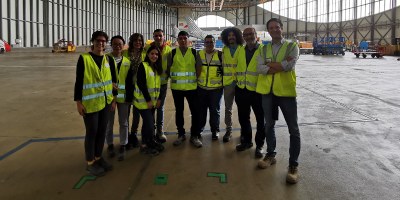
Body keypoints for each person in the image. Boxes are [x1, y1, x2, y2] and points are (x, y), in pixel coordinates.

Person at [256, 18, 301, 184]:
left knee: (293, 129)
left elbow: (289, 66)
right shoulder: (263, 47)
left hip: (286, 93)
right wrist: (279, 65)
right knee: (269, 125)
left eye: (277, 27)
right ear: (268, 30)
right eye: (271, 28)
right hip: (268, 93)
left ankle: (293, 165)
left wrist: (270, 65)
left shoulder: (292, 46)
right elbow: (259, 68)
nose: (274, 30)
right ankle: (271, 154)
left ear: (282, 28)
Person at [74, 31, 116, 176]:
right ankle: (90, 162)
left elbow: (113, 82)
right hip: (90, 103)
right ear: (93, 42)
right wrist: (78, 102)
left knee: (101, 132)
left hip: (105, 102)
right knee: (91, 132)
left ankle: (98, 157)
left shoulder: (108, 60)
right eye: (98, 41)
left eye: (104, 41)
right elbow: (79, 82)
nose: (101, 43)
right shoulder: (84, 59)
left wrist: (113, 99)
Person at [126, 45, 165, 156]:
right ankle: (146, 145)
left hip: (152, 102)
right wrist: (148, 100)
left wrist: (159, 99)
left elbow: (160, 85)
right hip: (143, 102)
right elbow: (141, 84)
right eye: (152, 53)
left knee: (147, 125)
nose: (154, 56)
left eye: (156, 54)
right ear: (147, 54)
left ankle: (147, 143)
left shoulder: (157, 67)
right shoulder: (143, 66)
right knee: (149, 124)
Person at [235, 27, 265, 158]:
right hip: (242, 89)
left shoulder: (263, 50)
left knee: (260, 120)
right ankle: (247, 142)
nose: (248, 37)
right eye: (245, 35)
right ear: (243, 37)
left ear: (256, 35)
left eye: (251, 34)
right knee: (243, 118)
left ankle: (259, 145)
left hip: (258, 91)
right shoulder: (240, 50)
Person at [168, 31, 201, 147]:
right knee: (179, 111)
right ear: (177, 40)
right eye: (180, 38)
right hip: (177, 88)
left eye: (184, 38)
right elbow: (168, 69)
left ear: (188, 40)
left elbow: (198, 69)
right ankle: (181, 134)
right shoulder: (172, 53)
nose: (182, 40)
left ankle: (194, 135)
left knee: (195, 112)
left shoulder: (194, 52)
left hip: (192, 88)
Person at [105, 35, 130, 161]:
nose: (117, 46)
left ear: (123, 45)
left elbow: (130, 81)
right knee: (109, 122)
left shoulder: (127, 62)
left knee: (123, 122)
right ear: (111, 45)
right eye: (115, 44)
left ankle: (123, 144)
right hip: (110, 96)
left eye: (120, 44)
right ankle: (109, 144)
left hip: (123, 96)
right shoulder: (106, 60)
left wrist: (128, 97)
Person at [144, 29, 172, 143]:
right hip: (150, 83)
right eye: (156, 36)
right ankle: (151, 131)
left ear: (164, 36)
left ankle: (159, 131)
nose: (158, 38)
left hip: (163, 83)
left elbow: (170, 65)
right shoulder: (147, 49)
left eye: (160, 36)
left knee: (160, 107)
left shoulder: (169, 49)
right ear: (153, 37)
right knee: (150, 108)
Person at [196, 35, 223, 145]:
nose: (209, 44)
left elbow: (225, 69)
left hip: (216, 89)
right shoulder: (199, 54)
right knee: (201, 111)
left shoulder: (220, 55)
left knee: (214, 111)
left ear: (214, 42)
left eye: (211, 42)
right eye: (207, 42)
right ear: (204, 43)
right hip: (201, 88)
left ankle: (215, 130)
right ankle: (200, 129)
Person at [220, 27, 244, 142]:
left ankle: (244, 131)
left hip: (240, 83)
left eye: (233, 35)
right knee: (228, 109)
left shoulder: (242, 49)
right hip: (228, 83)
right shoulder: (224, 50)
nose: (231, 37)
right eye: (228, 36)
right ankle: (228, 130)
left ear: (237, 36)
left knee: (242, 108)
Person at [123, 33, 146, 149]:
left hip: (139, 87)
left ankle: (133, 134)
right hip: (127, 87)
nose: (138, 42)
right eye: (136, 40)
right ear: (131, 41)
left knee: (136, 113)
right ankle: (125, 137)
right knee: (126, 113)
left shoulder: (145, 54)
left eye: (140, 41)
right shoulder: (125, 53)